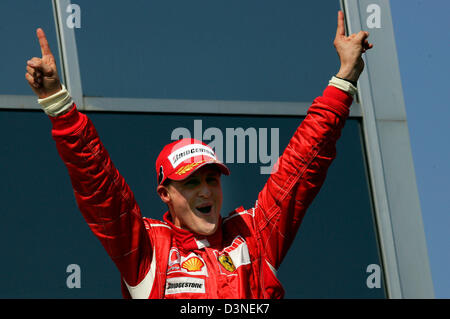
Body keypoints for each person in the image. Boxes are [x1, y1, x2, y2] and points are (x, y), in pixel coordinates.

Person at [25, 11, 372, 299]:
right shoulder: (147, 250)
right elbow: (99, 185)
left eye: (211, 179)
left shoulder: (254, 235)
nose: (206, 190)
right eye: (191, 183)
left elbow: (302, 164)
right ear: (166, 194)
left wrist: (344, 79)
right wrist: (58, 104)